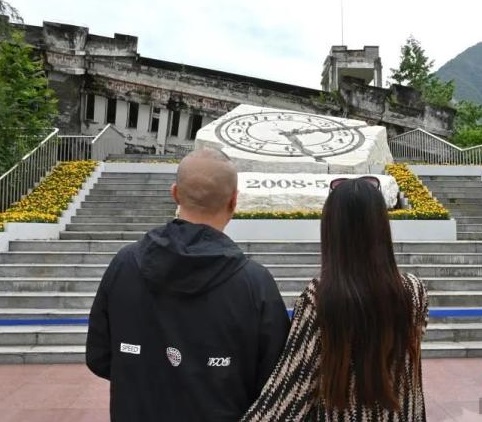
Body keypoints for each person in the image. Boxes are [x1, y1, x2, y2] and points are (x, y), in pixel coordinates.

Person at [86, 147, 290, 422]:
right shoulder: (255, 283)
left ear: (175, 194)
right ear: (233, 201)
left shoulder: (125, 264)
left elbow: (99, 357)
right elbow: (274, 380)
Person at [242, 176, 429, 421]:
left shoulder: (320, 297)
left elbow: (293, 388)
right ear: (382, 226)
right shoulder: (414, 291)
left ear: (331, 228)